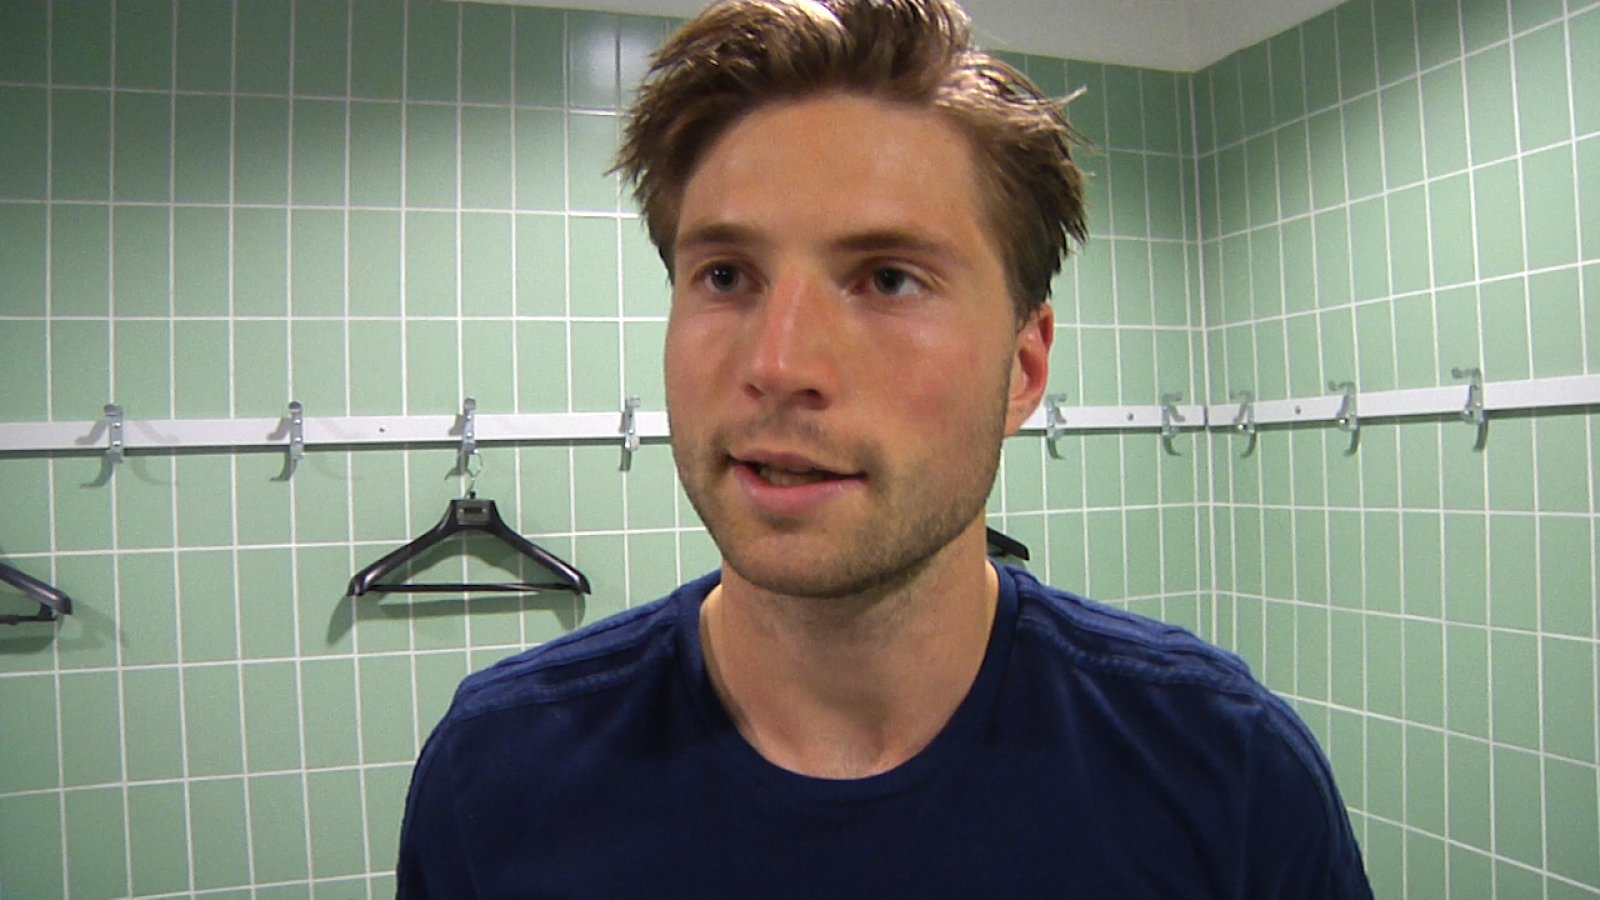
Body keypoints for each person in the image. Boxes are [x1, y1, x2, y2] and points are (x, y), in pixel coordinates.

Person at [396, 0, 1373, 895]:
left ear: (1023, 367)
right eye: (726, 274)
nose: (779, 365)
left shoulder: (1224, 774)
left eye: (889, 279)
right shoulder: (497, 776)